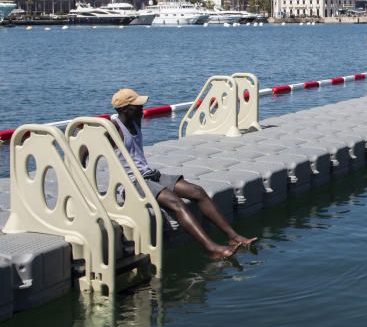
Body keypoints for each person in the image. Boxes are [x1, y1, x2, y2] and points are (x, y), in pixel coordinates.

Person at [110, 88, 257, 259]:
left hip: (149, 175)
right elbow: (84, 145)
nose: (142, 108)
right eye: (137, 106)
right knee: (177, 203)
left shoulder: (135, 121)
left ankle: (233, 237)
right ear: (124, 109)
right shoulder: (113, 128)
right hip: (132, 183)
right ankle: (211, 248)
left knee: (197, 191)